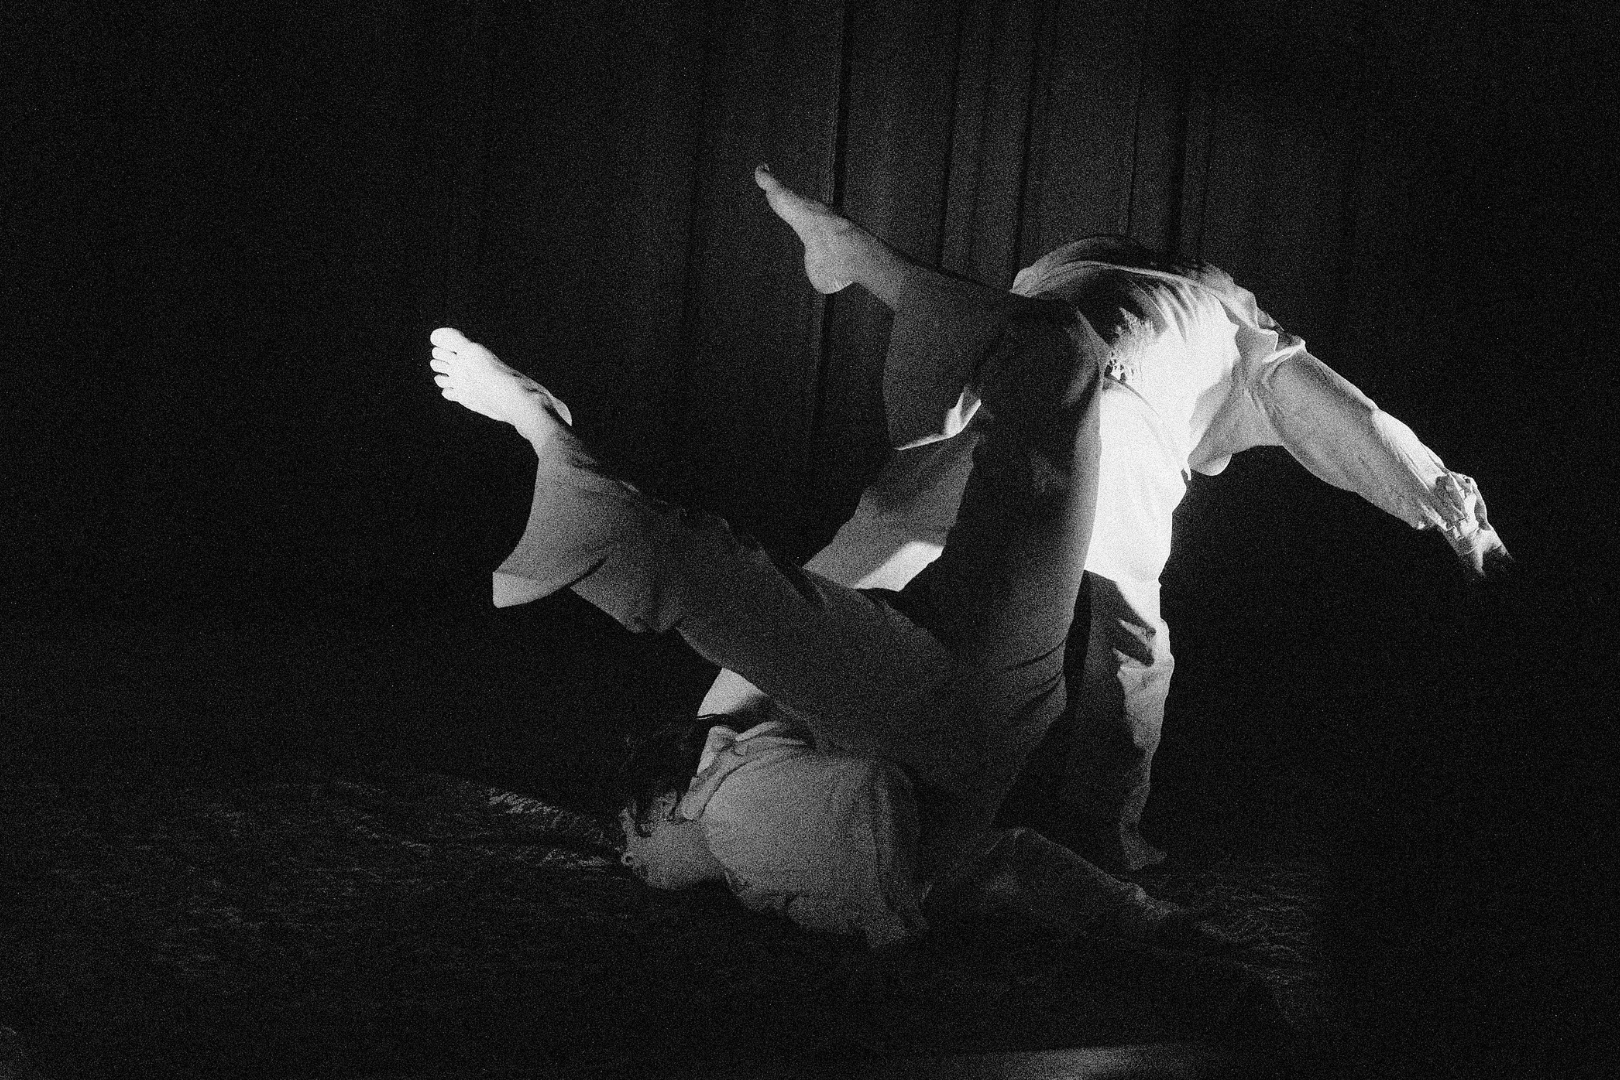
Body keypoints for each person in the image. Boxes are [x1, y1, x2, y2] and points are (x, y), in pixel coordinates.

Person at [428, 166, 1213, 949]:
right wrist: (1164, 932)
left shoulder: (729, 812)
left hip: (952, 693)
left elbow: (944, 827)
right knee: (1057, 353)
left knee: (1053, 354)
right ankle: (565, 436)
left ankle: (557, 438)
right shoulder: (752, 835)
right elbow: (988, 849)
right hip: (973, 699)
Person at [697, 235, 1509, 873]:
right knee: (1129, 630)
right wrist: (1453, 514)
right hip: (1119, 413)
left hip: (1015, 382)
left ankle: (713, 727)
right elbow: (1349, 418)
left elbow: (976, 323)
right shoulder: (1239, 328)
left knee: (874, 542)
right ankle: (1106, 828)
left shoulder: (1068, 279)